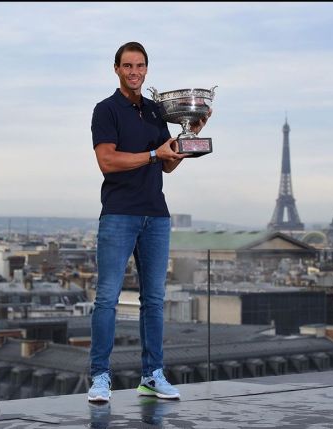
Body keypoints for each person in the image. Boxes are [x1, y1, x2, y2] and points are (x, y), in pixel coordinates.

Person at [87, 41, 211, 402]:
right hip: (119, 213)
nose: (135, 72)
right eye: (128, 66)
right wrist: (154, 153)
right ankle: (99, 377)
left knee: (154, 300)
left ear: (146, 69)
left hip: (156, 214)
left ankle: (152, 375)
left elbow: (168, 163)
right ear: (116, 69)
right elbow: (107, 161)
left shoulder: (158, 112)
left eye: (140, 66)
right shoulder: (105, 110)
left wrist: (188, 135)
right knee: (107, 298)